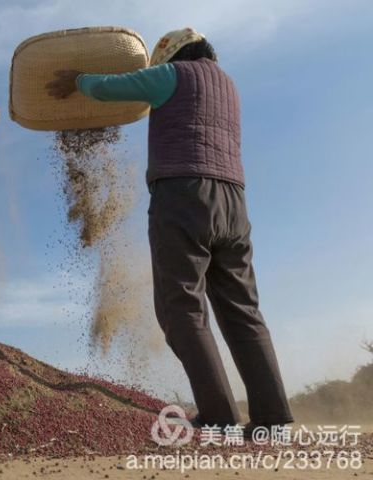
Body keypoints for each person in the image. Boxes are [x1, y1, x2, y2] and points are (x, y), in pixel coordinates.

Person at [46, 28, 293, 435]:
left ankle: (218, 415)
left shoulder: (173, 74)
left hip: (184, 195)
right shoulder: (229, 86)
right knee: (242, 310)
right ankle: (272, 418)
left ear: (175, 55)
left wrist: (78, 80)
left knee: (181, 309)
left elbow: (110, 89)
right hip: (234, 203)